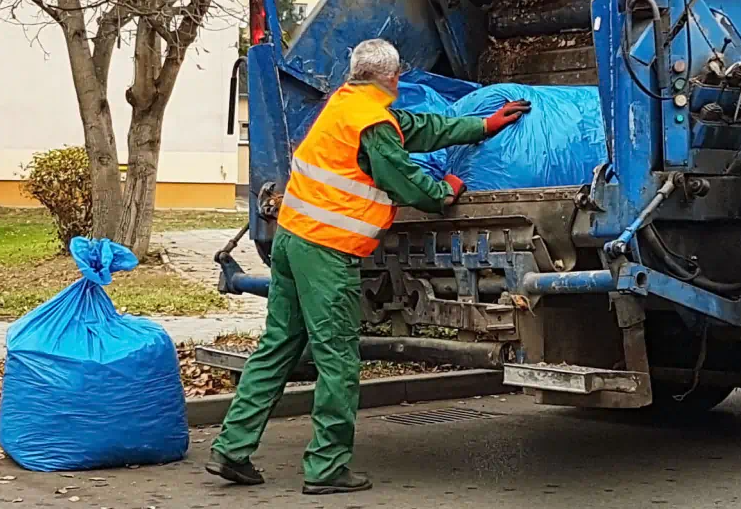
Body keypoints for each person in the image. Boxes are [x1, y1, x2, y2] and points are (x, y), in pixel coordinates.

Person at [206, 38, 529, 494]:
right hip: (326, 251)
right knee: (337, 359)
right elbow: (402, 176)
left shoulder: (347, 103)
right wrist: (445, 191)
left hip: (292, 240)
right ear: (393, 77)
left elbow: (414, 128)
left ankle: (231, 449)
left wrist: (480, 125)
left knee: (277, 346)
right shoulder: (374, 119)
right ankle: (326, 468)